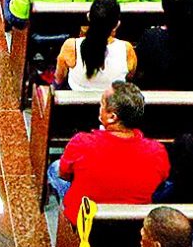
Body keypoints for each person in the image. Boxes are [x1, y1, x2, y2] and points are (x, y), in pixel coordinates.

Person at [50, 80, 170, 222]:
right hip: (133, 222)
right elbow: (162, 179)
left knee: (54, 168)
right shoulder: (158, 151)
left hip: (84, 221)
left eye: (102, 104)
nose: (99, 108)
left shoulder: (81, 142)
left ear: (112, 117)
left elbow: (64, 174)